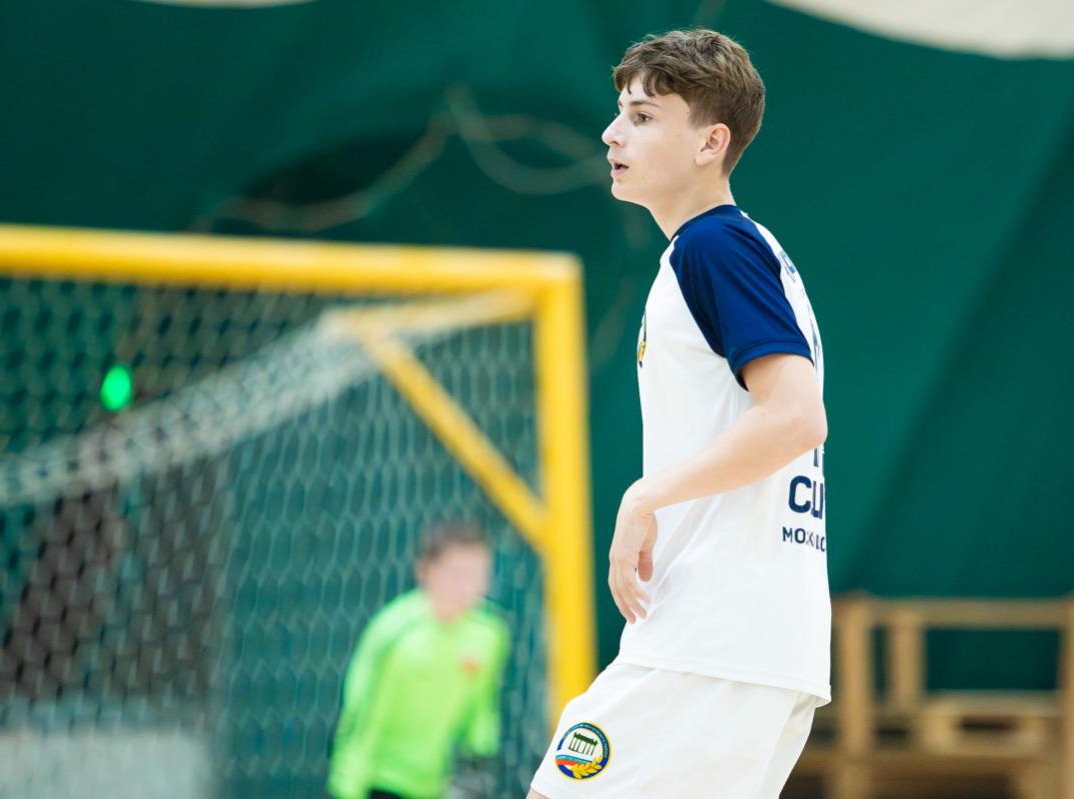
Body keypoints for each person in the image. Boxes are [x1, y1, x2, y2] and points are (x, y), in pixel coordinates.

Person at [528, 29, 830, 798]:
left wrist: (644, 495)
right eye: (618, 113)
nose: (611, 133)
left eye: (641, 116)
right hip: (751, 641)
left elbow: (796, 416)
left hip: (712, 638)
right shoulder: (736, 248)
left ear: (710, 142)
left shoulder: (713, 247)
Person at [328, 523, 510, 799]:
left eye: (478, 574)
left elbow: (482, 712)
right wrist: (347, 788)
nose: (468, 586)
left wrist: (478, 764)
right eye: (457, 574)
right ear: (424, 570)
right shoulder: (395, 632)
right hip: (379, 782)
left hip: (436, 786)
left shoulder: (489, 635)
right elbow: (360, 718)